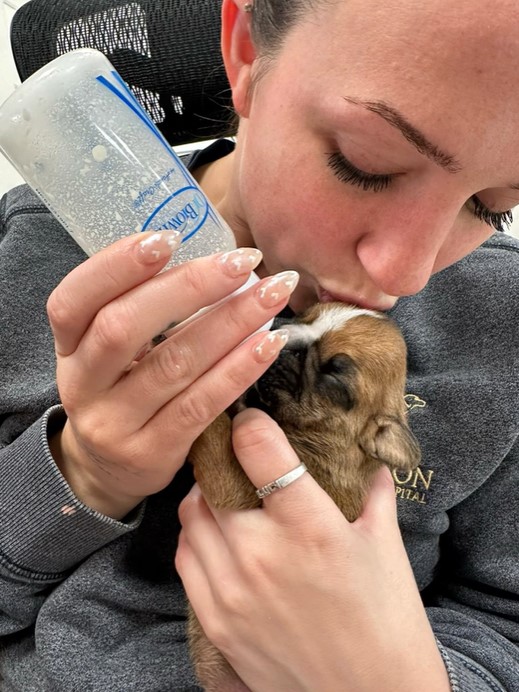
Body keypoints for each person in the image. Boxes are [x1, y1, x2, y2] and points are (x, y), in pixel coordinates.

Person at [1, 0, 518, 689]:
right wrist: (84, 473)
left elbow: (502, 623)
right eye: (364, 162)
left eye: (493, 206)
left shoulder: (500, 320)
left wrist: (393, 676)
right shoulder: (27, 254)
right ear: (244, 49)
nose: (404, 273)